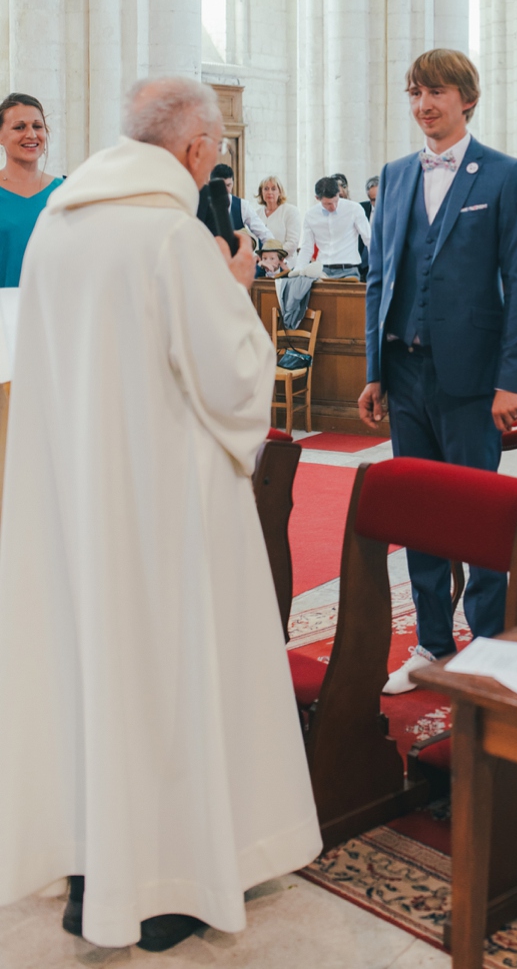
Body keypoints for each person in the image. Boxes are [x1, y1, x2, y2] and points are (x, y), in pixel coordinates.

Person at [0, 77, 320, 950]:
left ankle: (92, 867)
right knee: (173, 674)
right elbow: (235, 377)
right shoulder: (172, 236)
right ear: (196, 148)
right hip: (166, 506)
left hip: (78, 496)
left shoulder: (60, 222)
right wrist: (239, 286)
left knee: (95, 669)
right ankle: (172, 880)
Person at [359, 49, 517, 693]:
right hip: (405, 371)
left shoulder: (505, 174)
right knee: (421, 515)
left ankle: (489, 645)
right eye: (414, 92)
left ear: (467, 98)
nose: (423, 104)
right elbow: (379, 276)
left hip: (473, 378)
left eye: (435, 91)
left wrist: (515, 378)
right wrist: (375, 369)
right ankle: (432, 644)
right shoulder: (394, 175)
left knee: (478, 515)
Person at [0, 93, 63, 286]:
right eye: (19, 127)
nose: (31, 135)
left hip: (53, 303)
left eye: (37, 126)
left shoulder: (66, 192)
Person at [299, 175, 371, 280]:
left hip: (349, 270)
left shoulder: (354, 209)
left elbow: (369, 239)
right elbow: (307, 247)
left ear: (338, 193)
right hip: (322, 271)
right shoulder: (311, 215)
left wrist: (377, 267)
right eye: (328, 203)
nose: (333, 207)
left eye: (336, 201)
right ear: (317, 198)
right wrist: (299, 270)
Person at [209, 163, 271, 247]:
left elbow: (263, 232)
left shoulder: (242, 205)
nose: (226, 190)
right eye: (222, 186)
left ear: (233, 183)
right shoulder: (202, 204)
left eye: (228, 185)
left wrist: (273, 249)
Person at [255, 175, 301, 263]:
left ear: (280, 192)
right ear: (261, 192)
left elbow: (292, 242)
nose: (269, 192)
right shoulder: (256, 214)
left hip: (285, 263)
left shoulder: (290, 211)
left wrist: (272, 257)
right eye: (266, 189)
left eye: (273, 189)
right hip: (261, 263)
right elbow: (253, 242)